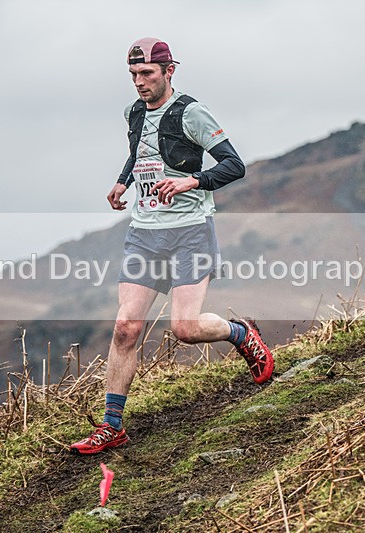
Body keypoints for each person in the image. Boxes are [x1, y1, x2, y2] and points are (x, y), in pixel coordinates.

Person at [70, 37, 274, 455]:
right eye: (133, 75)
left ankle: (242, 335)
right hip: (145, 233)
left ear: (169, 71)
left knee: (185, 329)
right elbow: (140, 152)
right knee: (126, 327)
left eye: (147, 74)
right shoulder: (132, 112)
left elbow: (235, 165)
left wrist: (191, 181)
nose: (140, 83)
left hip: (189, 231)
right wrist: (122, 181)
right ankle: (112, 426)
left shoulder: (192, 113)